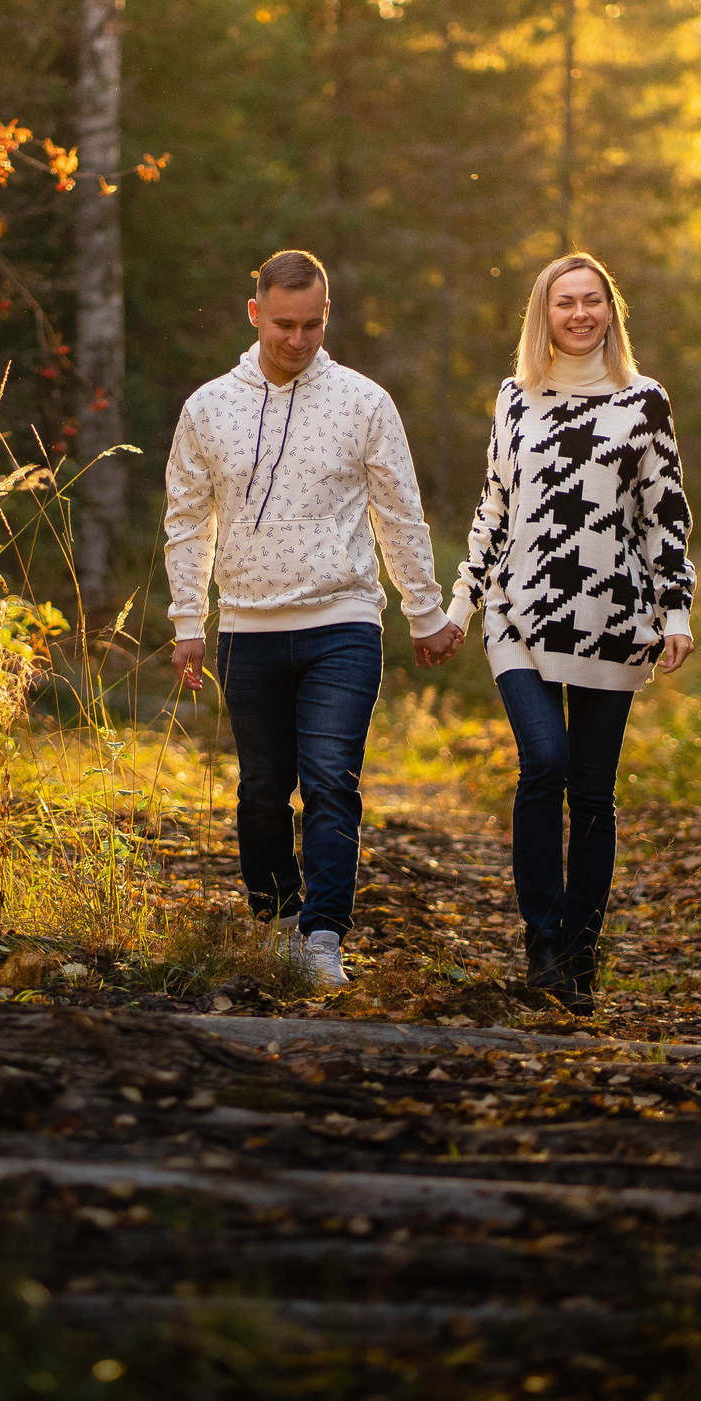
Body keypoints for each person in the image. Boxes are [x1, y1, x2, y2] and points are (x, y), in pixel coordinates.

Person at [164, 250, 465, 993]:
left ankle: (323, 936)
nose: (298, 340)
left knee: (332, 780)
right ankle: (276, 921)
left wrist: (424, 612)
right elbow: (186, 519)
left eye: (313, 324)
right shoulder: (208, 408)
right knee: (264, 786)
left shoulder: (364, 403)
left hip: (343, 620)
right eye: (284, 324)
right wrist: (186, 618)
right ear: (255, 312)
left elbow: (400, 514)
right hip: (246, 628)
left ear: (328, 316)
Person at [446, 251, 694, 1013]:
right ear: (543, 315)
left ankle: (583, 950)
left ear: (610, 312)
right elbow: (495, 506)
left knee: (592, 791)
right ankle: (542, 938)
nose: (580, 314)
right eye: (565, 303)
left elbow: (665, 515)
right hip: (519, 612)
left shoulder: (642, 401)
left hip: (612, 618)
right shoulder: (516, 399)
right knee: (544, 761)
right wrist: (462, 603)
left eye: (592, 301)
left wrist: (675, 610)